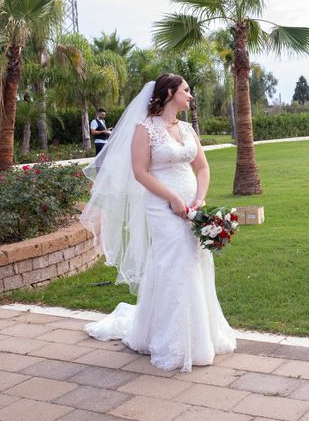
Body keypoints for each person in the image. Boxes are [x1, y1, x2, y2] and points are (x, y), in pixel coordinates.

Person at [80, 73, 236, 372]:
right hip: (160, 205)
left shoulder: (188, 129)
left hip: (192, 207)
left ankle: (200, 336)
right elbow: (140, 172)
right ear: (169, 93)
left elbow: (202, 167)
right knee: (173, 262)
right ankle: (171, 341)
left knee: (196, 261)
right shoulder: (144, 129)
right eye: (186, 90)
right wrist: (173, 199)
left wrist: (199, 199)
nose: (190, 95)